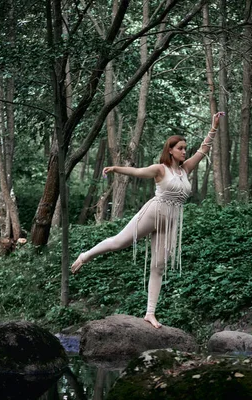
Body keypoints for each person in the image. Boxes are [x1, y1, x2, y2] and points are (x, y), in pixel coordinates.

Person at [71, 111, 225, 328]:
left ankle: (150, 313)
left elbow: (204, 149)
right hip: (153, 213)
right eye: (180, 148)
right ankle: (85, 256)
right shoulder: (160, 169)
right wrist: (116, 168)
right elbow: (137, 171)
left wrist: (214, 126)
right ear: (170, 151)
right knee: (118, 243)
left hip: (170, 222)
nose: (184, 151)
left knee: (159, 265)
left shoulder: (186, 169)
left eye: (184, 148)